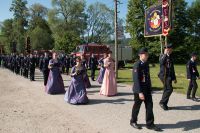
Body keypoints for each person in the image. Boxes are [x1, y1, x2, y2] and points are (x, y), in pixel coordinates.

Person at [130, 48, 161, 131]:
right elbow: (136, 80)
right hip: (139, 90)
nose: (147, 56)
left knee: (149, 106)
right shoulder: (137, 65)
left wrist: (150, 88)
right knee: (137, 106)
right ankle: (133, 121)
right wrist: (140, 92)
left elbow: (147, 77)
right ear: (140, 55)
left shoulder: (146, 64)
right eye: (145, 54)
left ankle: (150, 124)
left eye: (147, 54)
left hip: (147, 90)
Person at [158, 44, 177, 111]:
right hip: (164, 76)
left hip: (169, 76)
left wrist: (174, 78)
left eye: (171, 49)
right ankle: (162, 102)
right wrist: (165, 54)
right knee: (169, 89)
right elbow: (161, 62)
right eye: (170, 49)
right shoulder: (162, 55)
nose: (172, 50)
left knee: (167, 89)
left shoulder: (170, 57)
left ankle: (164, 104)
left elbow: (172, 68)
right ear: (167, 49)